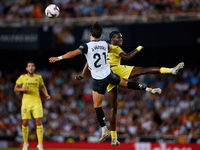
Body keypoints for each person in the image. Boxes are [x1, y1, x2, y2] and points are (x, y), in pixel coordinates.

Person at [49, 22, 162, 146]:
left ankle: (104, 129)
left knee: (97, 106)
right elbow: (118, 51)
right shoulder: (105, 44)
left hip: (99, 80)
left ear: (90, 34)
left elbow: (72, 53)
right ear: (101, 35)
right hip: (110, 75)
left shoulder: (86, 46)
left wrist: (58, 58)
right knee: (126, 84)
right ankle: (148, 89)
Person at [75, 30, 184, 145]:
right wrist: (138, 48)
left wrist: (83, 74)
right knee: (144, 70)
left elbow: (89, 61)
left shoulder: (101, 47)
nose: (121, 39)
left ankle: (114, 138)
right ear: (112, 40)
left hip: (106, 75)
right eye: (119, 38)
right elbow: (127, 57)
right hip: (116, 69)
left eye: (121, 38)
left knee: (114, 109)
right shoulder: (114, 48)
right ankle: (171, 70)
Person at [14, 60, 50, 150]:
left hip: (36, 102)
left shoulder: (39, 77)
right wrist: (22, 89)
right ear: (26, 68)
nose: (31, 67)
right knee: (25, 123)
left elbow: (42, 86)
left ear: (34, 68)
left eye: (32, 66)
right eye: (29, 66)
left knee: (38, 121)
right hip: (26, 103)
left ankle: (40, 145)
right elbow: (15, 88)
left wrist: (46, 94)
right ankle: (25, 143)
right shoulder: (22, 77)